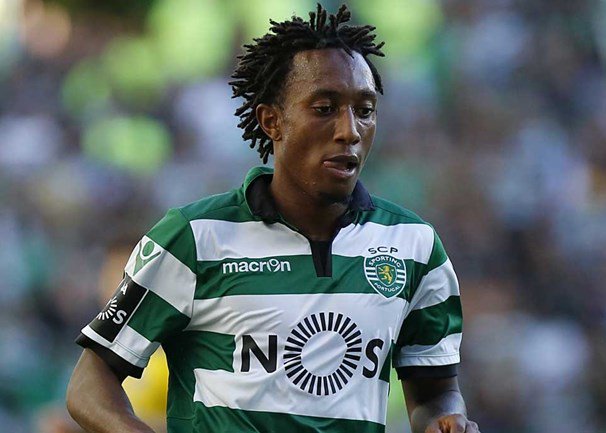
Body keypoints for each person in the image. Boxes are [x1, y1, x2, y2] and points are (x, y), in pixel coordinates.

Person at [66, 4, 479, 433]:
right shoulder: (195, 238)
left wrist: (446, 421)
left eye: (365, 109)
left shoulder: (414, 246)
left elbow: (434, 393)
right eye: (325, 108)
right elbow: (90, 382)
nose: (350, 130)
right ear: (271, 121)